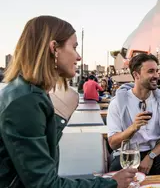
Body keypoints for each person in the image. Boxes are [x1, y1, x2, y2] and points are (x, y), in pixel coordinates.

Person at [0, 15, 137, 188]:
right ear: (54, 48)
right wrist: (110, 184)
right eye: (74, 47)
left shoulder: (24, 93)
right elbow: (45, 184)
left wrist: (58, 119)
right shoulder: (26, 101)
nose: (78, 57)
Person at [107, 53, 160, 175]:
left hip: (155, 151)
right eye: (150, 71)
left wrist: (150, 156)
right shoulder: (117, 103)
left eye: (156, 71)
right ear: (136, 75)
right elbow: (113, 143)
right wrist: (133, 128)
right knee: (116, 174)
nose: (156, 76)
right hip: (128, 152)